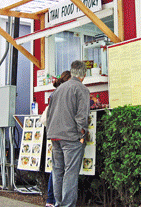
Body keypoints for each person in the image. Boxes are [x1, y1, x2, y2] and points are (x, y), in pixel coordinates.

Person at [46, 61, 90, 207]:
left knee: (58, 171)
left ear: (71, 73)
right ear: (83, 75)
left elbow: (49, 113)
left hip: (54, 135)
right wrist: (82, 134)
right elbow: (81, 116)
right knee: (70, 173)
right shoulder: (81, 89)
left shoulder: (58, 89)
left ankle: (58, 203)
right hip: (71, 136)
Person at [45, 71, 71, 207]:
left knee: (56, 169)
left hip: (53, 134)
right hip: (65, 135)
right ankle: (60, 203)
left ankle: (52, 201)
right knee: (67, 171)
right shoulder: (67, 93)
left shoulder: (54, 94)